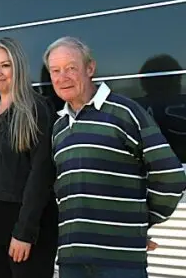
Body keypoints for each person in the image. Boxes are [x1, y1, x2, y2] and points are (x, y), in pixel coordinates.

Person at [46, 36, 186, 278]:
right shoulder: (59, 127)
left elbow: (171, 176)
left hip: (118, 263)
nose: (62, 77)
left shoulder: (126, 113)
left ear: (90, 68)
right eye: (55, 71)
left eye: (71, 68)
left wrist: (140, 222)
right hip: (72, 261)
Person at [0, 37, 58, 278]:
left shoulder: (37, 110)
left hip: (24, 226)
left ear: (18, 66)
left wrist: (25, 232)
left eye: (5, 65)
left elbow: (41, 174)